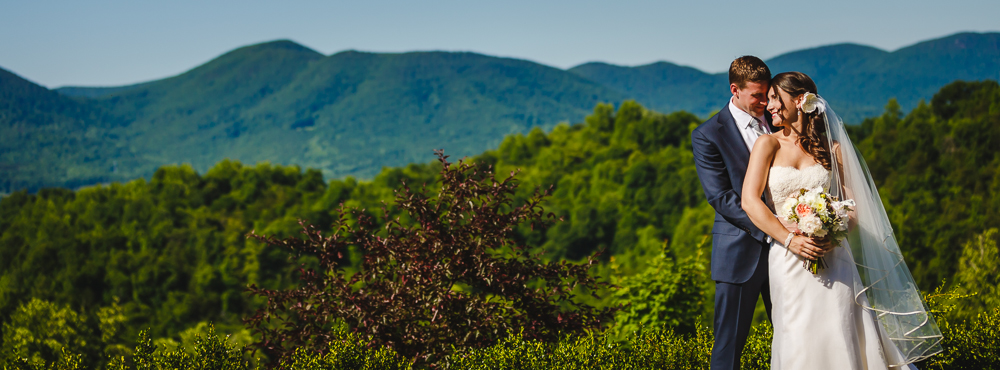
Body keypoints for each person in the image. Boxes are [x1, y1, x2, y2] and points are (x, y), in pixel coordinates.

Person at [740, 71, 943, 369]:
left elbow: (855, 206)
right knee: (796, 332)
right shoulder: (766, 145)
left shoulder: (832, 149)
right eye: (768, 99)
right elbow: (749, 201)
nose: (768, 106)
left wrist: (831, 229)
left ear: (800, 101)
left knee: (842, 329)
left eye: (774, 98)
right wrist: (791, 239)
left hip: (834, 257)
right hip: (788, 258)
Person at [691, 56, 828, 370]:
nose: (765, 103)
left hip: (795, 255)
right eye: (757, 95)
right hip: (740, 252)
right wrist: (776, 228)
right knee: (729, 347)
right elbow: (721, 197)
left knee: (798, 336)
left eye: (769, 95)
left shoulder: (782, 119)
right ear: (734, 90)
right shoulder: (708, 134)